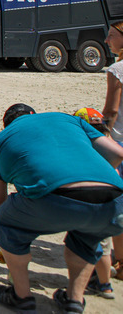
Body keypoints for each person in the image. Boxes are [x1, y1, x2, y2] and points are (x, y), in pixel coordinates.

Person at [0, 103, 123, 312]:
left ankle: (21, 296)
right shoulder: (68, 119)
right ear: (34, 114)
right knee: (87, 237)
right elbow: (117, 153)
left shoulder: (2, 139)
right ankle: (73, 300)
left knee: (6, 219)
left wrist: (8, 244)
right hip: (114, 199)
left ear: (6, 125)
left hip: (55, 196)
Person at [73, 107, 116, 299]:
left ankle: (76, 289)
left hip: (88, 204)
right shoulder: (111, 149)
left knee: (83, 246)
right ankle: (105, 285)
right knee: (104, 247)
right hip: (110, 204)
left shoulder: (83, 148)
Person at [101, 19, 123, 276]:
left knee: (118, 202)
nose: (107, 40)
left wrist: (103, 136)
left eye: (111, 36)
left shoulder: (117, 69)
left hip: (119, 141)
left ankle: (120, 259)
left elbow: (111, 111)